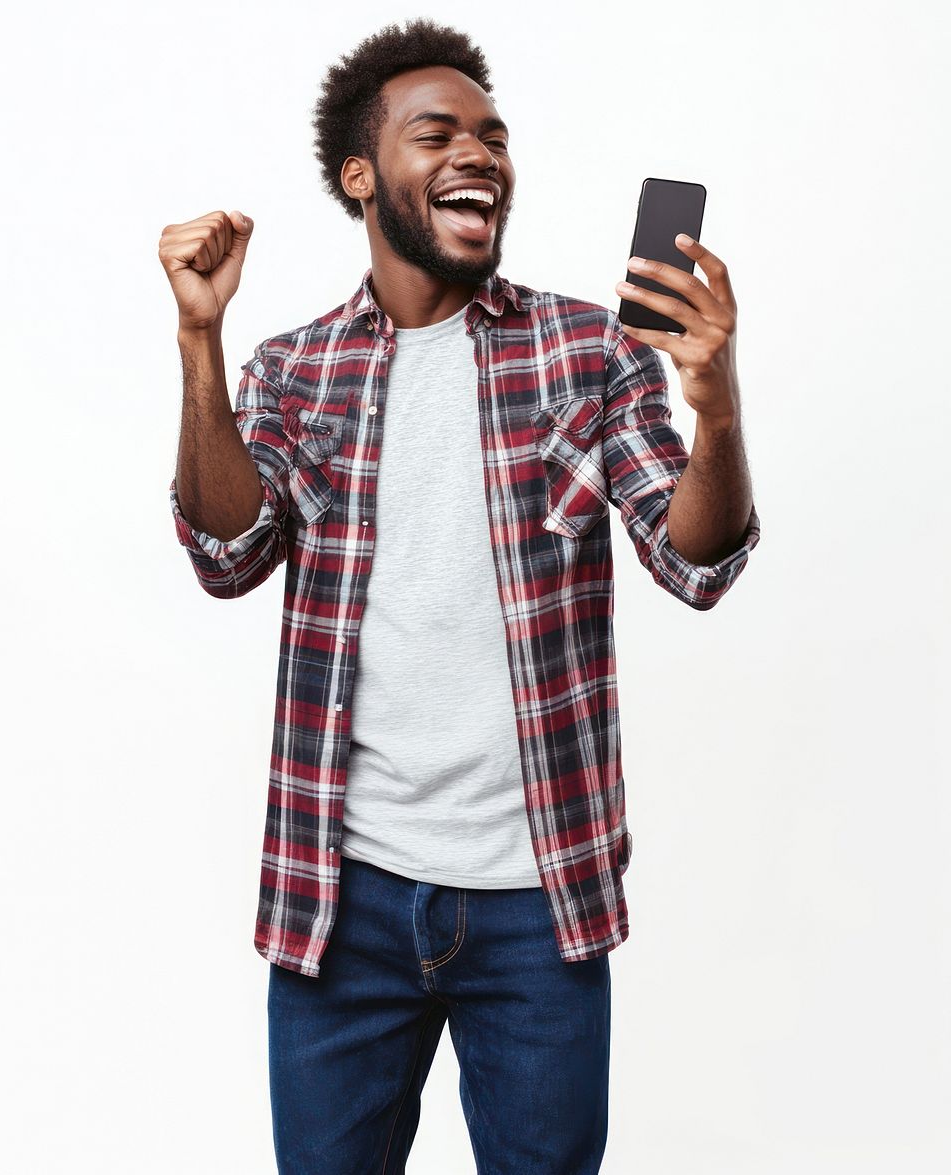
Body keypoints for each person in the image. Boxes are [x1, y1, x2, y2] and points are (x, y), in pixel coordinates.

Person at [158, 17, 761, 1175]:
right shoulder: (292, 367)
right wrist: (200, 337)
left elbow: (692, 559)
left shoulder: (588, 351)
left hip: (540, 900)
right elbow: (229, 551)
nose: (478, 153)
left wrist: (716, 409)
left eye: (493, 135)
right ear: (360, 173)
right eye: (437, 133)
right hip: (342, 902)